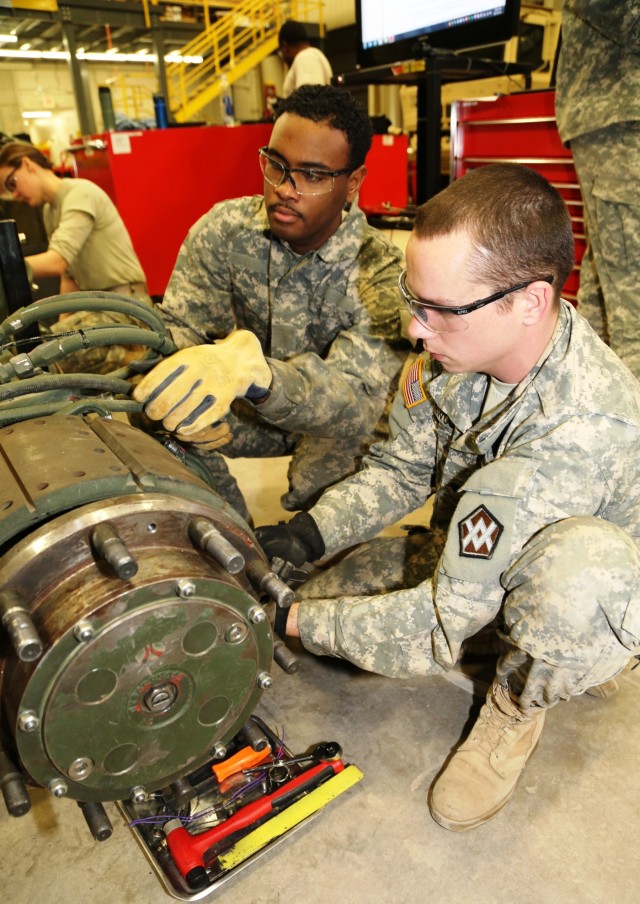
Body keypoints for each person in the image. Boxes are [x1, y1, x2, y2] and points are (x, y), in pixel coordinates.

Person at [254, 163, 640, 832]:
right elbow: (402, 469)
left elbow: (435, 628)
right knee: (323, 598)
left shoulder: (581, 433)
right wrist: (308, 535)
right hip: (477, 553)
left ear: (529, 301)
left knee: (572, 584)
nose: (414, 329)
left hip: (585, 585)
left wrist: (285, 623)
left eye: (436, 310)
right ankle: (503, 636)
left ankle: (522, 700)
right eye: (413, 298)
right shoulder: (452, 349)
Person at [133, 85, 408, 522]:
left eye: (313, 176)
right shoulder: (224, 230)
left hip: (335, 425)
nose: (285, 189)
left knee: (331, 482)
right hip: (247, 414)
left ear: (353, 183)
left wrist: (259, 375)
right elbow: (181, 331)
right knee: (157, 410)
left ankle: (306, 562)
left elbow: (354, 400)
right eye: (277, 166)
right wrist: (183, 389)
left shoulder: (380, 273)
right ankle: (231, 542)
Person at [0, 141, 152, 373]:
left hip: (126, 305)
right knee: (48, 347)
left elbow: (55, 261)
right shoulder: (50, 210)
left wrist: (9, 264)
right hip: (98, 306)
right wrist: (62, 323)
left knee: (51, 348)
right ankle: (132, 361)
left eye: (12, 183)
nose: (15, 193)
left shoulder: (80, 193)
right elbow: (67, 277)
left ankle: (139, 357)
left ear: (28, 165)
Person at [555, 0, 640, 378]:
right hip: (621, 111)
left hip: (617, 111)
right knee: (630, 300)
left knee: (612, 290)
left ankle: (593, 418)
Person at [278, 20, 333, 98]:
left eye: (280, 53)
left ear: (285, 46)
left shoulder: (305, 58)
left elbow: (310, 100)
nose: (282, 58)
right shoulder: (311, 55)